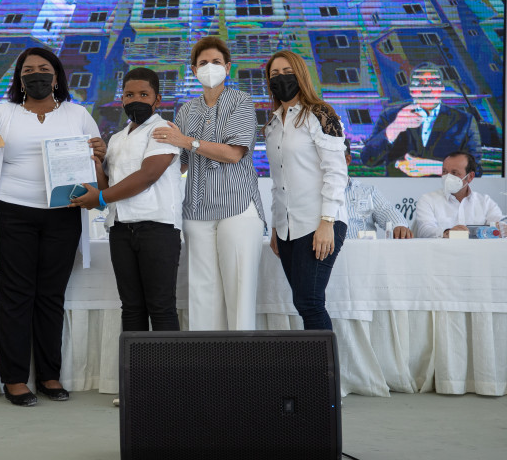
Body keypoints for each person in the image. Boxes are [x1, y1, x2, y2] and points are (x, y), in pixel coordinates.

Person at [0, 47, 106, 407]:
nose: (36, 75)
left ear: (56, 76)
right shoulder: (5, 115)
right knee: (15, 296)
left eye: (44, 68)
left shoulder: (77, 115)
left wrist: (100, 156)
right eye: (28, 70)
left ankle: (48, 375)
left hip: (63, 213)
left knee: (51, 295)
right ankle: (14, 378)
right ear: (19, 78)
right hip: (13, 212)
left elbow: (97, 162)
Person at [153, 36, 265, 331]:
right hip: (196, 209)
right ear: (193, 70)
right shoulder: (186, 110)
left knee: (239, 291)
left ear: (228, 67)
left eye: (216, 62)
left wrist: (187, 141)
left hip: (237, 206)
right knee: (202, 294)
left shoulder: (241, 101)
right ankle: (207, 358)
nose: (210, 67)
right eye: (203, 63)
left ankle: (243, 354)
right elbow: (180, 162)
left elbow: (233, 153)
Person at [70, 68, 182, 332]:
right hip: (120, 229)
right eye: (129, 95)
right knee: (131, 307)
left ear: (157, 99)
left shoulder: (163, 130)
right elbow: (108, 187)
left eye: (144, 94)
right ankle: (136, 362)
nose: (136, 100)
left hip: (158, 228)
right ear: (121, 99)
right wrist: (97, 164)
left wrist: (99, 196)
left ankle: (169, 363)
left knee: (161, 306)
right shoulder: (117, 138)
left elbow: (148, 176)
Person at [264, 50, 348, 331]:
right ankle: (314, 359)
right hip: (287, 228)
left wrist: (327, 222)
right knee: (303, 303)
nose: (281, 78)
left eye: (287, 72)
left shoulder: (320, 114)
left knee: (310, 302)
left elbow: (336, 172)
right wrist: (276, 227)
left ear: (300, 74)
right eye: (274, 74)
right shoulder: (272, 124)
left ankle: (325, 362)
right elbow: (279, 182)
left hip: (319, 222)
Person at [362, 65, 482, 177]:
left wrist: (437, 168)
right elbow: (368, 159)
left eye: (433, 83)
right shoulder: (390, 116)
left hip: (444, 191)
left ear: (442, 88)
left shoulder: (465, 121)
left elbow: (475, 170)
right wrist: (396, 126)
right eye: (420, 84)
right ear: (411, 90)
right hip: (399, 191)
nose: (427, 89)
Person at [414, 151, 503, 238]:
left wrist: (502, 228)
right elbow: (424, 230)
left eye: (454, 173)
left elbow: (500, 225)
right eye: (444, 171)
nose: (447, 177)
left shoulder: (485, 202)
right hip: (442, 248)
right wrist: (447, 232)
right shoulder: (428, 200)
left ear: (470, 177)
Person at [343, 138, 412, 239]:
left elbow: (387, 210)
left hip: (363, 248)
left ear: (347, 160)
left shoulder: (368, 191)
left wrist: (399, 225)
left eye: (332, 159)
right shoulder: (317, 191)